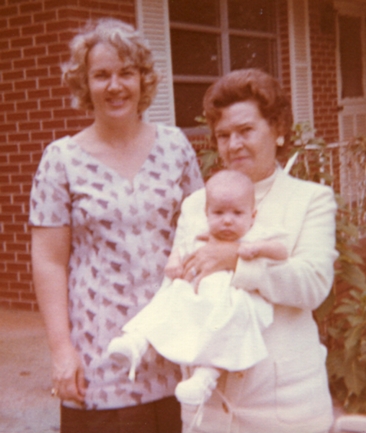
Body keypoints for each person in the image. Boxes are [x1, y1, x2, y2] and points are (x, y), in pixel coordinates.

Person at [29, 18, 203, 433]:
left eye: (127, 72)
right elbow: (49, 262)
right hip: (100, 356)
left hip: (174, 349)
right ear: (83, 84)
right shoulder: (61, 159)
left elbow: (199, 233)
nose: (115, 85)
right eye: (101, 75)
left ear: (144, 80)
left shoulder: (175, 146)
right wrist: (61, 350)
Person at [174, 69, 338, 433]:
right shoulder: (196, 205)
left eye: (246, 131)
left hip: (286, 408)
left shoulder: (310, 199)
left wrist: (234, 261)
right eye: (223, 135)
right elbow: (179, 285)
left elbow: (312, 284)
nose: (233, 145)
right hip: (210, 411)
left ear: (278, 130)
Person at [108, 169, 287, 410]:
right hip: (196, 293)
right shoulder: (200, 233)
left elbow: (281, 250)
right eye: (219, 213)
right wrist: (173, 261)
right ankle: (138, 341)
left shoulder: (255, 235)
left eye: (237, 213)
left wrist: (256, 249)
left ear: (252, 216)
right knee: (169, 299)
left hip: (230, 296)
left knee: (229, 323)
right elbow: (181, 248)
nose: (227, 220)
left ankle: (205, 377)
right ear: (206, 213)